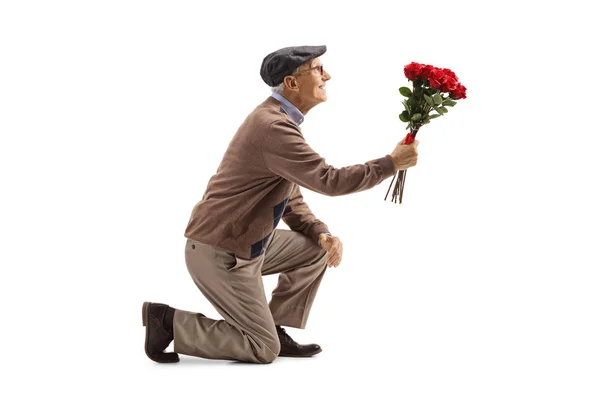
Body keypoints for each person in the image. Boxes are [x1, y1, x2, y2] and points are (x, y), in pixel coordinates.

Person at [142, 45, 419, 364]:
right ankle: (168, 323)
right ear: (291, 83)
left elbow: (288, 195)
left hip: (246, 244)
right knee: (261, 349)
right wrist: (390, 164)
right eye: (318, 69)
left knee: (317, 249)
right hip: (221, 253)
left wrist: (319, 233)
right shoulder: (273, 126)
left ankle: (273, 326)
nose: (327, 75)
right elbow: (329, 180)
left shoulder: (277, 119)